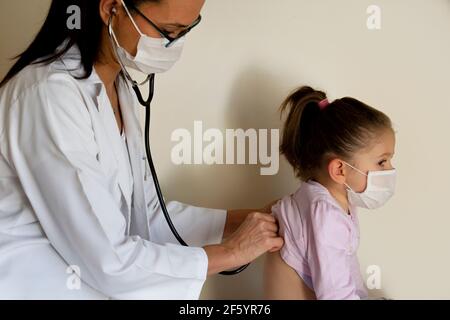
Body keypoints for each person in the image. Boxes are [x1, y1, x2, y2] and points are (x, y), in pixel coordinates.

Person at [0, 0, 283, 299]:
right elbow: (108, 258)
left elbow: (144, 215)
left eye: (186, 30)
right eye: (168, 30)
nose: (174, 45)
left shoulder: (119, 89)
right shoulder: (48, 96)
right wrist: (232, 252)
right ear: (112, 9)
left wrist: (252, 220)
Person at [264, 86, 396, 300]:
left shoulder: (327, 199)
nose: (390, 170)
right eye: (382, 161)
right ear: (339, 170)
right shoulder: (326, 215)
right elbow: (336, 295)